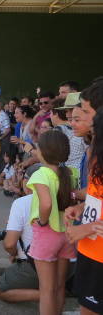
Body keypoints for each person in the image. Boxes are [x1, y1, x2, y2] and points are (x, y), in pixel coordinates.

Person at [27, 130, 77, 315]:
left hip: (47, 233)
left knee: (46, 290)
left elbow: (46, 203)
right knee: (59, 286)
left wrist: (42, 221)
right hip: (67, 234)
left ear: (44, 151)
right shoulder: (70, 173)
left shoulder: (41, 174)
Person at [65, 99, 103, 315]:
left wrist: (85, 229)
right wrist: (81, 208)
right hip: (90, 250)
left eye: (84, 113)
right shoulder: (95, 153)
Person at [0, 164, 41, 303]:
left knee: (1, 289)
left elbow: (9, 244)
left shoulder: (23, 202)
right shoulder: (65, 198)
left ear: (28, 182)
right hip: (70, 265)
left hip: (38, 262)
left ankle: (49, 295)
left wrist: (14, 253)